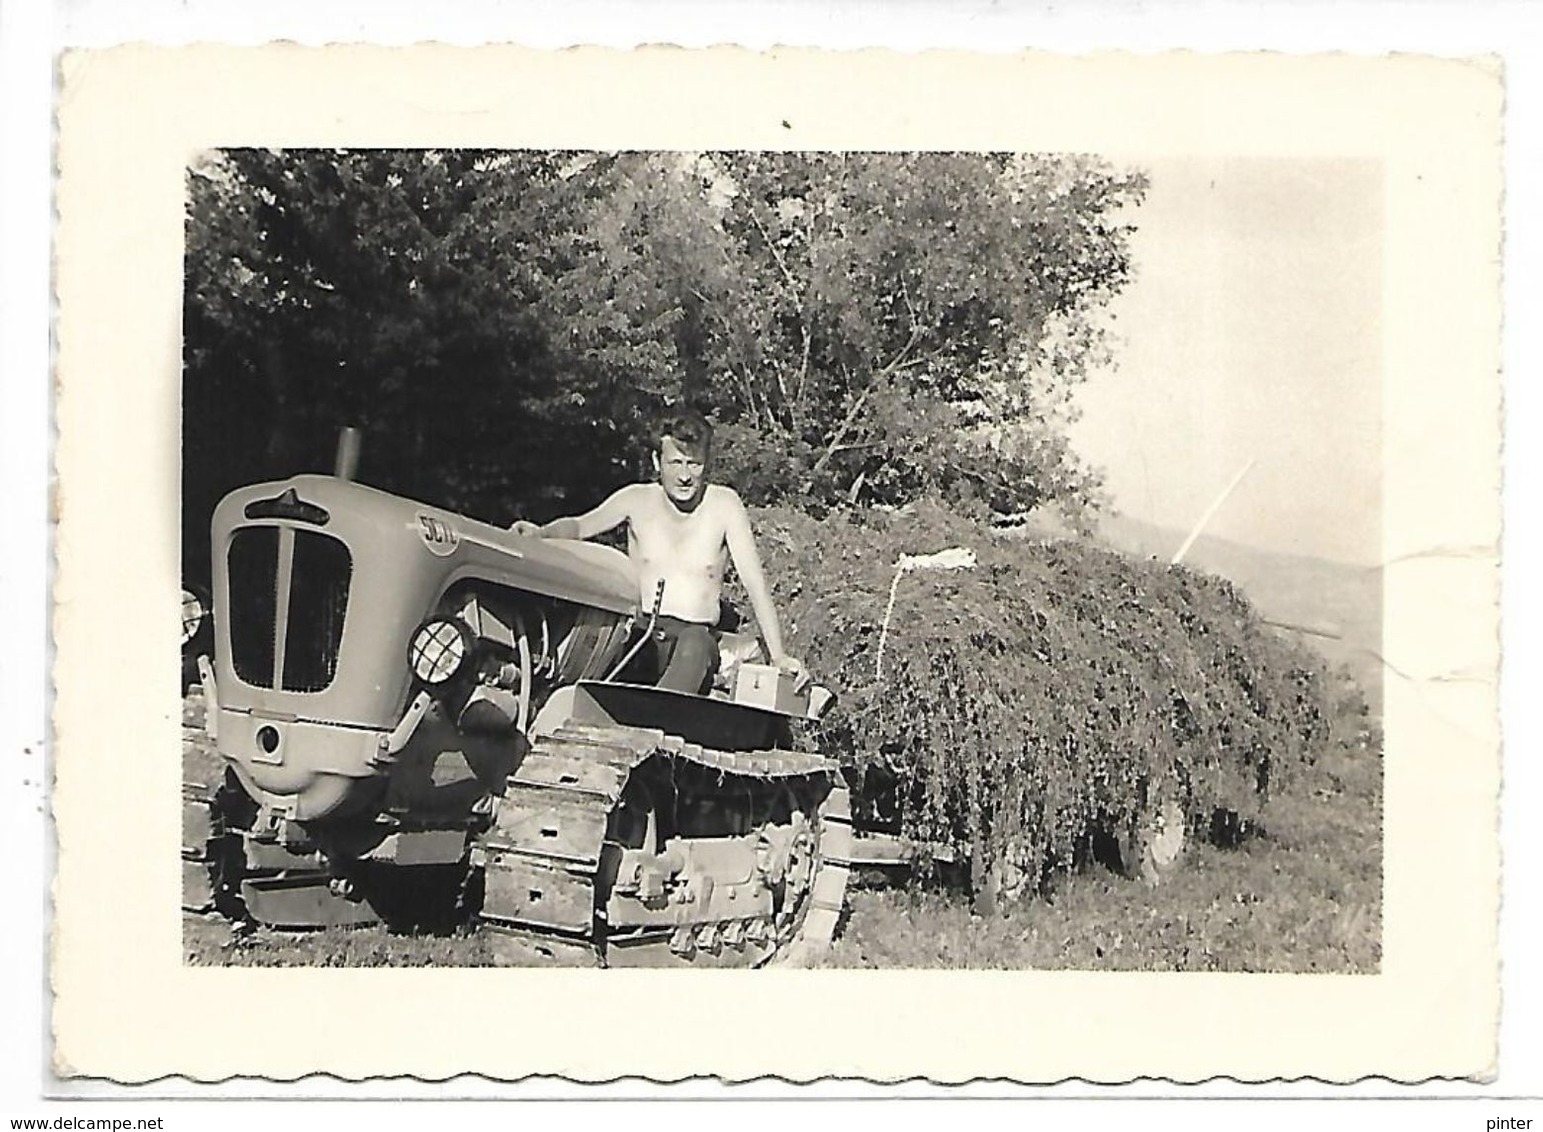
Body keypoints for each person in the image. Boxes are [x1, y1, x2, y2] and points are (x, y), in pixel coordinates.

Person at [512, 410, 806, 696]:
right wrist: (542, 534)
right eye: (676, 462)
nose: (685, 476)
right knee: (608, 648)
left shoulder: (724, 505)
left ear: (706, 464)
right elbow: (579, 526)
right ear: (657, 461)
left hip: (696, 638)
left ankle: (659, 721)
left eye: (694, 464)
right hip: (641, 631)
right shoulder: (636, 499)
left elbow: (756, 585)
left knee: (694, 644)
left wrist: (778, 656)